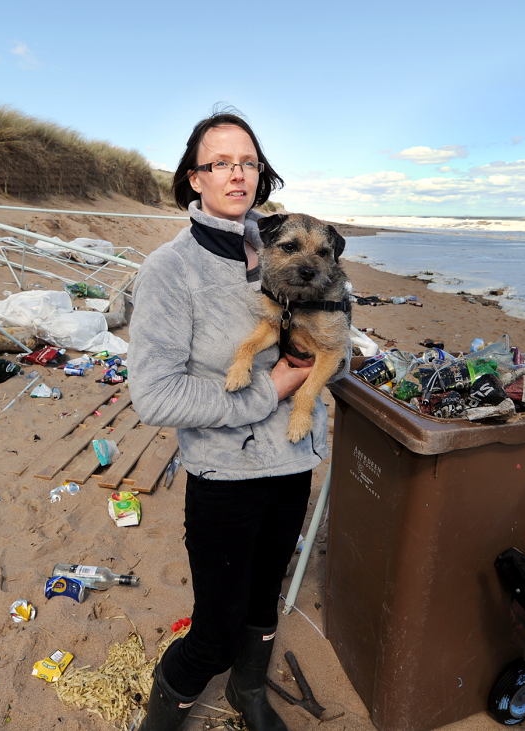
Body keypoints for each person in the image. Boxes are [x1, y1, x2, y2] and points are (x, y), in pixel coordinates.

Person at [128, 111, 331, 731]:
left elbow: (325, 351)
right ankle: (163, 716)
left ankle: (248, 695)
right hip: (225, 475)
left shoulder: (286, 250)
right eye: (220, 162)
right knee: (215, 628)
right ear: (195, 179)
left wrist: (327, 359)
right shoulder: (170, 269)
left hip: (294, 462)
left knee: (263, 602)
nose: (236, 174)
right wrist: (268, 390)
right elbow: (154, 395)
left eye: (247, 161)